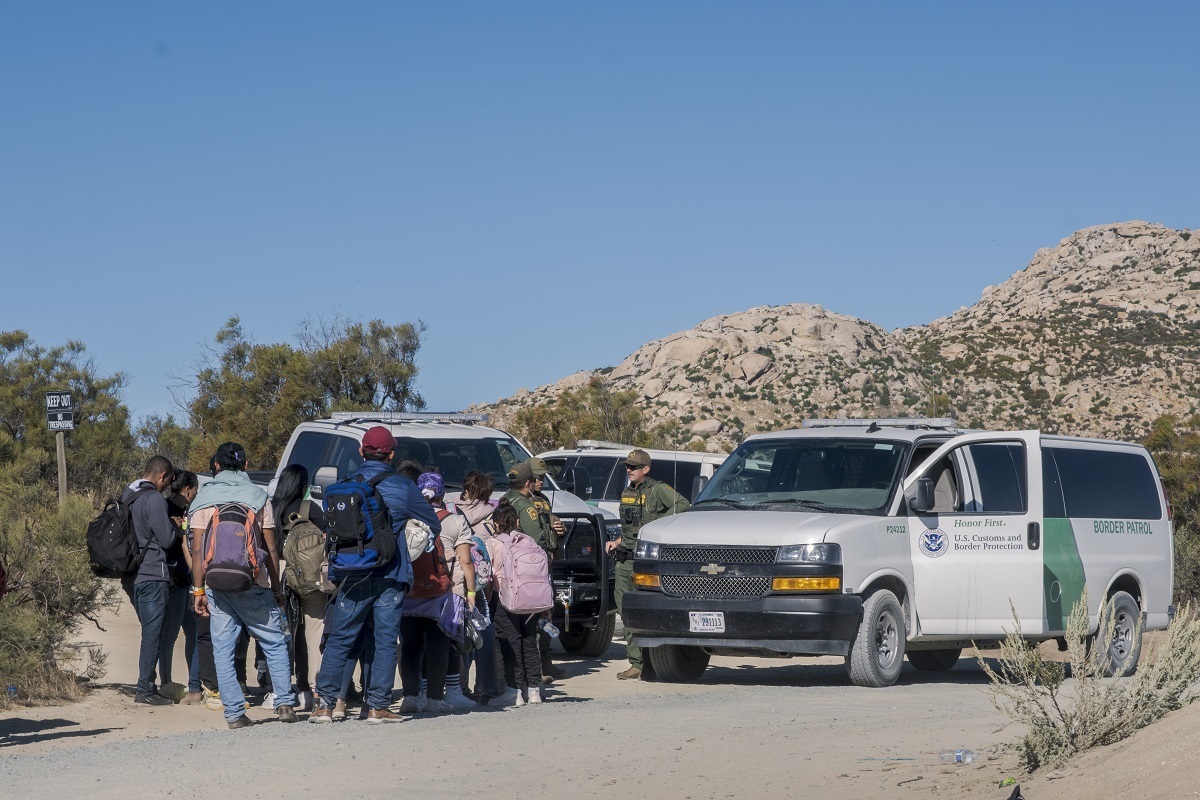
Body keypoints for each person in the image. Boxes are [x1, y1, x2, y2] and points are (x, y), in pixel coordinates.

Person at [309, 426, 441, 725]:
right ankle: (378, 707)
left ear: (361, 451)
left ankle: (325, 705)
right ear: (391, 455)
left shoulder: (343, 485)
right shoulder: (403, 487)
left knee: (340, 639)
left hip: (351, 573)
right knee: (384, 640)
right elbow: (433, 523)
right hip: (391, 573)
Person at [189, 442, 297, 729]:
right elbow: (272, 550)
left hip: (216, 586)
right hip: (254, 584)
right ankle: (284, 703)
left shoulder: (203, 498)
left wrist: (198, 591)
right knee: (273, 642)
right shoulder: (258, 497)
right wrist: (276, 588)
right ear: (246, 465)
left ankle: (235, 714)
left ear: (215, 466)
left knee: (223, 649)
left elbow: (198, 551)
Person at [605, 449, 689, 680]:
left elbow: (683, 506)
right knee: (626, 611)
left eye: (633, 467)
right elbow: (628, 527)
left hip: (645, 561)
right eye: (627, 467)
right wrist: (617, 542)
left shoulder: (657, 489)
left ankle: (649, 662)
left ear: (646, 469)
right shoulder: (626, 493)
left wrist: (655, 525)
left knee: (646, 612)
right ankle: (636, 663)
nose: (629, 470)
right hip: (624, 560)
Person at [398, 471, 466, 713]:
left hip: (409, 592)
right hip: (439, 593)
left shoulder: (404, 518)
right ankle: (436, 698)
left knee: (409, 646)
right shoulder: (454, 520)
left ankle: (410, 696)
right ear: (442, 494)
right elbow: (465, 560)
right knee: (438, 644)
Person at [123, 455, 179, 706]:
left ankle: (148, 685)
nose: (167, 485)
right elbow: (167, 540)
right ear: (162, 476)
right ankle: (144, 689)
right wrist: (176, 526)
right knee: (152, 634)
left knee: (149, 632)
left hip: (131, 575)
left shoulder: (128, 494)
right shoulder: (155, 499)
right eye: (168, 480)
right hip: (153, 574)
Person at [271, 463, 326, 712]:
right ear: (303, 485)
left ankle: (280, 689)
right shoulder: (309, 508)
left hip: (280, 577)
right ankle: (314, 689)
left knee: (284, 636)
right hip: (310, 578)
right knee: (314, 634)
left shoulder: (271, 509)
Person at [487, 503, 543, 706]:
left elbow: (489, 576)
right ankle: (534, 690)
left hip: (505, 599)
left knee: (510, 643)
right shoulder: (529, 540)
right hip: (532, 599)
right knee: (529, 642)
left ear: (495, 523)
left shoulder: (493, 543)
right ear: (517, 522)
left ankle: (514, 691)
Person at [164, 470, 205, 705]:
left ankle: (193, 686)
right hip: (175, 579)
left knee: (194, 634)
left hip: (186, 580)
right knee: (170, 635)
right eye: (196, 489)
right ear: (188, 488)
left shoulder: (187, 511)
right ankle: (166, 683)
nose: (196, 493)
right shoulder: (169, 509)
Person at [526, 457, 567, 682]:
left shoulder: (542, 500)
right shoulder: (520, 502)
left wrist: (560, 527)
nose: (541, 481)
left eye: (543, 477)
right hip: (529, 568)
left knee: (547, 614)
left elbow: (551, 523)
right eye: (536, 478)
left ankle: (546, 663)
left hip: (547, 564)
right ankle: (535, 668)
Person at [500, 462, 556, 554]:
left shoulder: (504, 499)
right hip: (525, 557)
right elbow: (537, 539)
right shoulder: (526, 507)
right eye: (534, 480)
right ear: (528, 483)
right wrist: (548, 554)